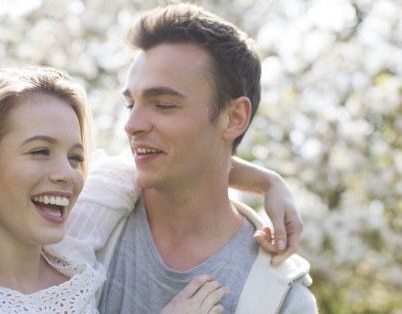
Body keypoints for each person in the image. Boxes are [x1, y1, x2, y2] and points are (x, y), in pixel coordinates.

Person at [0, 66, 302, 313]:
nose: (67, 176)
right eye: (38, 152)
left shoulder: (77, 239)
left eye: (74, 156)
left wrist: (267, 182)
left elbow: (172, 159)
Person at [94, 4, 318, 313]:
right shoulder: (87, 214)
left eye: (163, 105)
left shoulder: (282, 300)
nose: (132, 125)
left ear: (234, 117)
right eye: (132, 104)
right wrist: (268, 182)